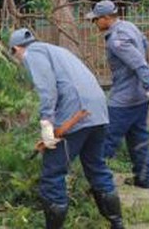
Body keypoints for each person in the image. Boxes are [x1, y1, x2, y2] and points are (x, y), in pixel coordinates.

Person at [9, 28, 124, 229]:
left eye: (15, 54)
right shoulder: (56, 50)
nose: (19, 59)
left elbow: (47, 88)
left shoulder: (33, 54)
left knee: (53, 173)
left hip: (75, 116)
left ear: (16, 49)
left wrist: (46, 121)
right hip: (97, 112)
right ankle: (117, 223)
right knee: (97, 167)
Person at [86, 0, 149, 190]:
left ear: (107, 18)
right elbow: (145, 45)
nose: (94, 24)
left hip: (124, 100)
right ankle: (145, 179)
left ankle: (96, 183)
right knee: (139, 138)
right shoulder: (129, 26)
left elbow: (139, 63)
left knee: (105, 140)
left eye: (96, 20)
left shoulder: (117, 40)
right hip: (140, 98)